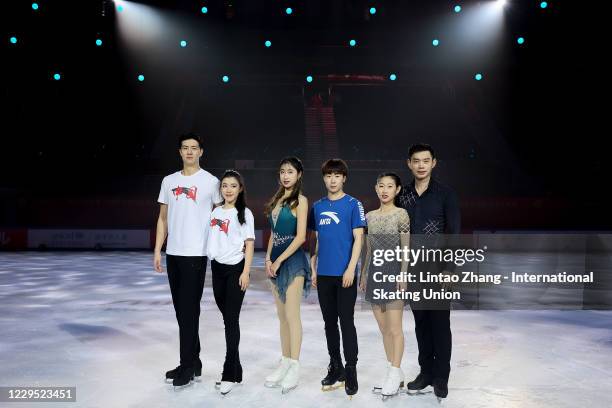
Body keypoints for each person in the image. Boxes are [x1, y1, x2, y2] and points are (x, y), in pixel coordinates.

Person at [154, 133, 221, 389]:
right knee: (182, 311)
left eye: (194, 148)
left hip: (196, 254)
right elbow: (162, 218)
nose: (190, 152)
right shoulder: (168, 181)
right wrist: (158, 249)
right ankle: (194, 361)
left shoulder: (211, 182)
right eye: (185, 148)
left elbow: (220, 216)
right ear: (179, 152)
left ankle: (187, 366)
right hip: (174, 254)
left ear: (201, 152)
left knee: (188, 310)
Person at [397, 143, 461, 401]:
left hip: (437, 268)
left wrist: (448, 269)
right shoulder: (403, 196)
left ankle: (441, 377)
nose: (421, 165)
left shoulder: (446, 194)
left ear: (434, 162)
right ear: (409, 163)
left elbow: (454, 233)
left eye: (426, 160)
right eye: (416, 160)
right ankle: (425, 372)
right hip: (412, 268)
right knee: (420, 323)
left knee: (440, 324)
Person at [308, 158, 366, 397]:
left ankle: (351, 369)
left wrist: (351, 268)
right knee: (329, 323)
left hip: (345, 276)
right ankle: (336, 366)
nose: (332, 180)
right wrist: (313, 268)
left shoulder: (353, 204)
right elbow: (317, 240)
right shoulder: (318, 206)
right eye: (328, 175)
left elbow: (359, 239)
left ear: (344, 178)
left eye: (337, 175)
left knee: (346, 321)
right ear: (324, 178)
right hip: (324, 275)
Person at [359, 172, 410, 399]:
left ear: (397, 190)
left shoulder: (401, 214)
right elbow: (368, 250)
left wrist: (403, 274)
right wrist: (363, 274)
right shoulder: (369, 217)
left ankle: (394, 371)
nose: (385, 190)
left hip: (394, 273)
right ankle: (393, 372)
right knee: (383, 330)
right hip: (374, 275)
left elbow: (406, 248)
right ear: (376, 188)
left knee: (395, 328)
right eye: (381, 186)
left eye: (390, 186)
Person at [263, 157, 311, 394]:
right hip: (276, 264)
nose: (285, 175)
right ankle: (284, 361)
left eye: (290, 171)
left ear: (299, 174)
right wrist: (268, 258)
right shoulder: (276, 200)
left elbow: (301, 236)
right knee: (282, 317)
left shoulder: (300, 201)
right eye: (282, 171)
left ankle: (294, 366)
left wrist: (281, 259)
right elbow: (274, 234)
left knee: (292, 316)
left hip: (293, 263)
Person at [207, 170, 255, 395]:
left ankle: (228, 372)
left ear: (240, 189)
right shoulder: (215, 211)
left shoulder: (244, 213)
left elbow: (250, 244)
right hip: (217, 268)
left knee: (231, 320)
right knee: (227, 318)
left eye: (233, 186)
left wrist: (246, 272)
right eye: (225, 185)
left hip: (236, 269)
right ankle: (237, 371)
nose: (228, 189)